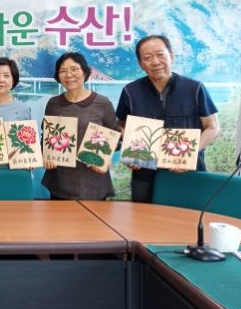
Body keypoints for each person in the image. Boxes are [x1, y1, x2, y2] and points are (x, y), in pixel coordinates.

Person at [116, 35, 221, 203]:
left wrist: (190, 154)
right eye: (147, 57)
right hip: (144, 175)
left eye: (160, 55)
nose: (155, 62)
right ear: (141, 64)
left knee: (188, 216)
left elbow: (212, 127)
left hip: (188, 172)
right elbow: (121, 125)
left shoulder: (195, 88)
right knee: (143, 218)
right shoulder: (130, 91)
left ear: (171, 56)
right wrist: (129, 150)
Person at [41, 52, 118, 200]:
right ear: (58, 76)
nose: (69, 75)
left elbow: (114, 137)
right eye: (63, 71)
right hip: (60, 182)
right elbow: (46, 136)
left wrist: (106, 158)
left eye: (74, 69)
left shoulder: (102, 103)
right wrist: (46, 155)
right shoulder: (53, 104)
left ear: (85, 72)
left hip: (94, 182)